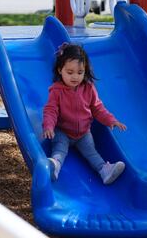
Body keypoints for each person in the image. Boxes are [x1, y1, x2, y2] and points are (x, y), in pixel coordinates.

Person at [42, 43, 127, 184]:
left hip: (83, 133)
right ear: (60, 70)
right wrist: (49, 127)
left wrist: (111, 120)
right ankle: (54, 166)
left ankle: (104, 171)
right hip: (62, 131)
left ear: (85, 71)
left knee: (91, 152)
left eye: (80, 72)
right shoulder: (56, 90)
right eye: (70, 72)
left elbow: (97, 108)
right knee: (60, 149)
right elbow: (50, 110)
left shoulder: (88, 88)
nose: (75, 77)